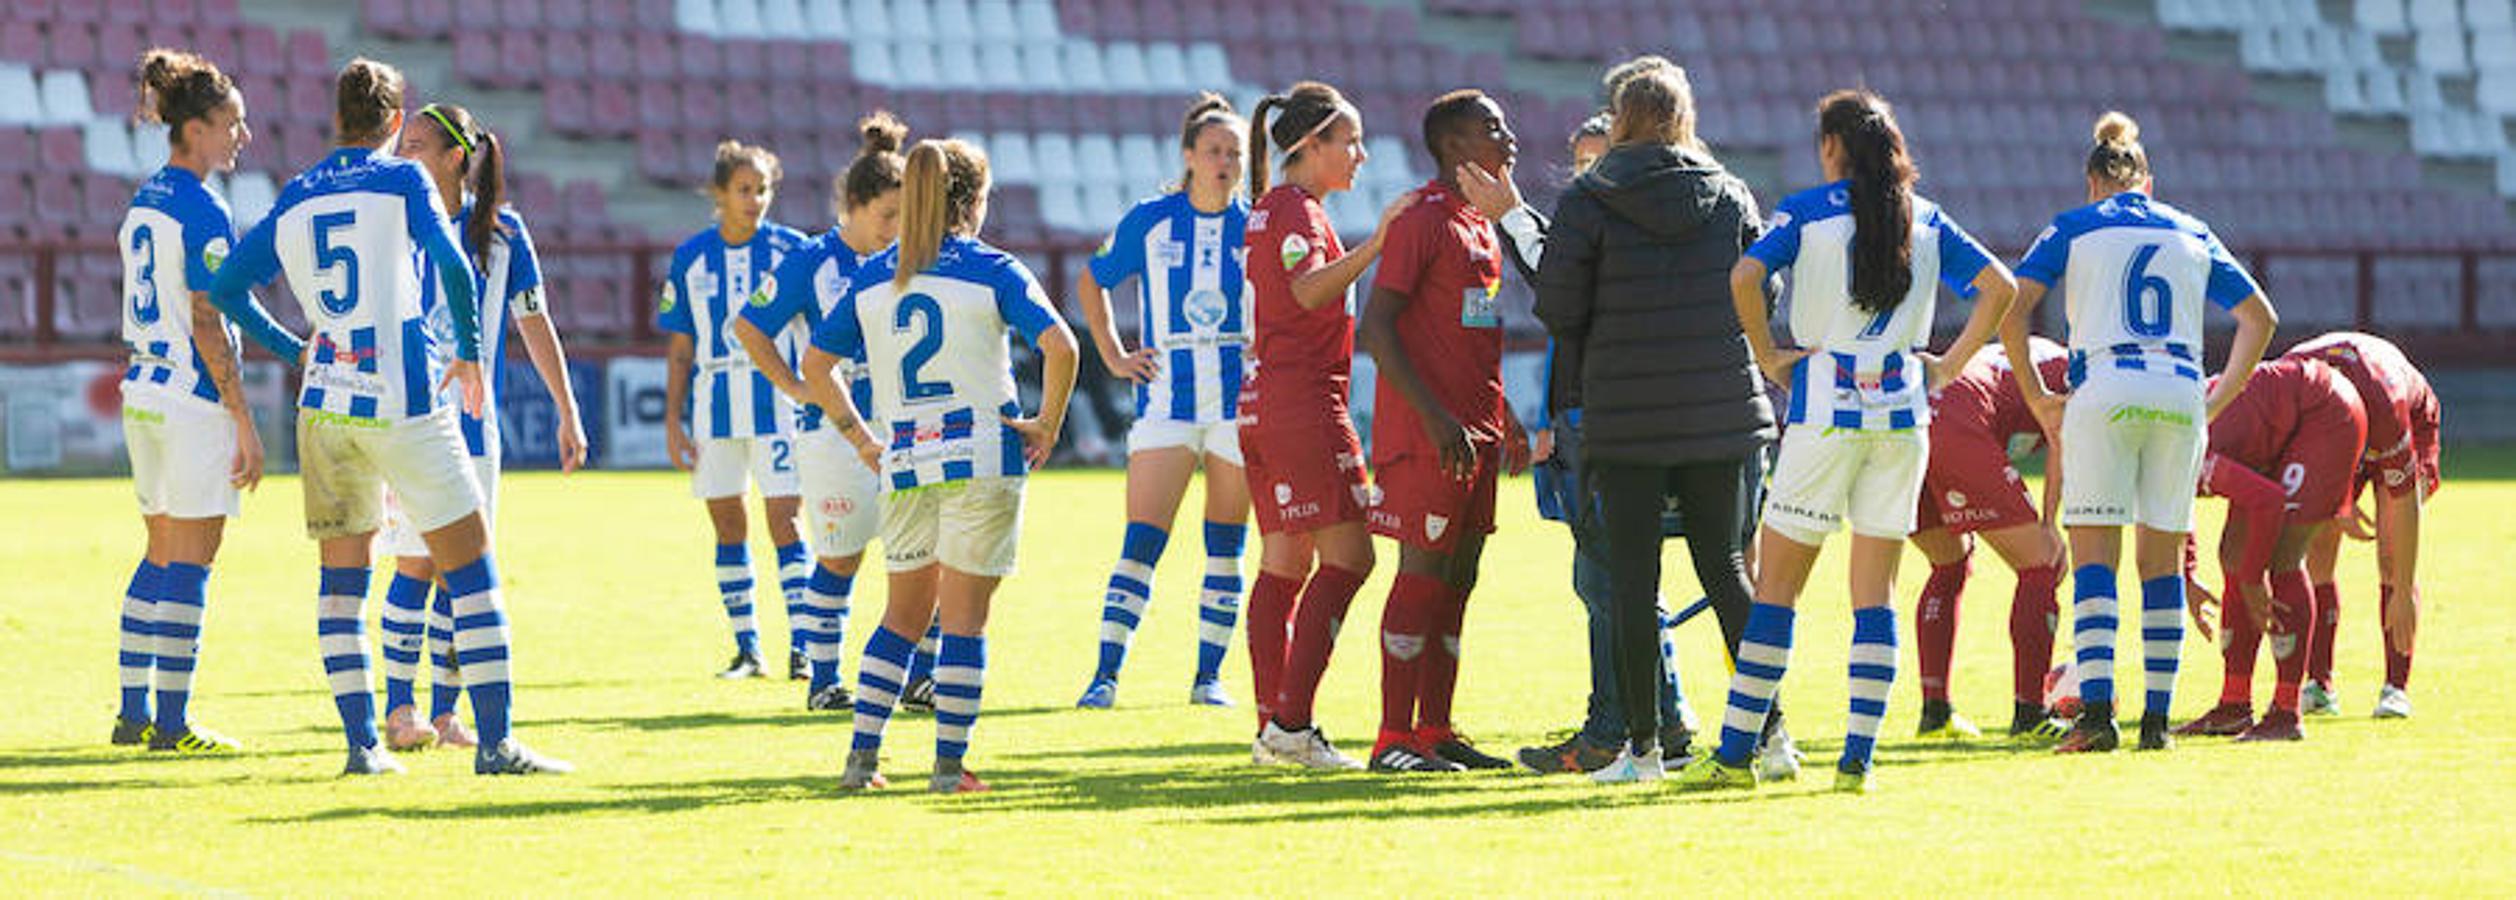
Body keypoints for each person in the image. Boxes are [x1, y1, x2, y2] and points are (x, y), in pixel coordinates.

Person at [207, 58, 569, 775]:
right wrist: (468, 352)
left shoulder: (298, 192)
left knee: (342, 587)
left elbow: (224, 287)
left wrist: (293, 349)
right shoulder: (403, 179)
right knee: (472, 571)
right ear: (395, 122)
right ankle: (494, 744)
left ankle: (362, 747)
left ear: (335, 119)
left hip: (325, 406)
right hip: (403, 396)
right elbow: (456, 266)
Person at [1675, 89, 2016, 794]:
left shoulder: (1805, 211)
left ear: (1833, 146)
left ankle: (1736, 755)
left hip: (1825, 405)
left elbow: (1744, 275)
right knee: (1876, 594)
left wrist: (1769, 354)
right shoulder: (1926, 217)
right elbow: (2000, 286)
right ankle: (1857, 759)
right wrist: (1950, 364)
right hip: (1901, 415)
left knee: (1777, 590)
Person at [801, 138, 1080, 794]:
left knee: (900, 618)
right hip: (980, 454)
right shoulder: (993, 269)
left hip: (904, 459)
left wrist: (862, 438)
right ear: (972, 202)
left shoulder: (871, 275)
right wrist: (1047, 424)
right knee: (963, 623)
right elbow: (1061, 347)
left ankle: (861, 762)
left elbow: (816, 364)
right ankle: (949, 769)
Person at [2001, 111, 2279, 754]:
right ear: (2147, 183)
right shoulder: (2191, 228)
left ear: (2092, 182)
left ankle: (2097, 719)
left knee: (2097, 555)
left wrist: (2038, 396)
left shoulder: (2073, 226)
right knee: (2161, 563)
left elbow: (2014, 309)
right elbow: (2259, 318)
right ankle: (2157, 723)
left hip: (2104, 386)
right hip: (2180, 391)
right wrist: (2215, 401)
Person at [1531, 62, 1773, 784]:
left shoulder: (1587, 197)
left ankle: (1642, 751)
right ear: (1683, 115)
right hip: (1720, 411)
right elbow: (1765, 288)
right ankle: (1772, 734)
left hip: (1627, 414)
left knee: (1634, 582)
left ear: (1623, 117)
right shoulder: (1730, 193)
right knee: (1728, 570)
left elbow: (1558, 308)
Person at [374, 102, 588, 752]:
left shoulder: (503, 234)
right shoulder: (394, 222)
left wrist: (567, 408)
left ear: (454, 158)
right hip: (410, 419)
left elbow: (533, 321)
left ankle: (446, 713)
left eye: (415, 145)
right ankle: (399, 709)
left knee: (460, 568)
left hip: (473, 427)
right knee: (414, 563)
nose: (402, 154)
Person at [1237, 80, 1415, 770]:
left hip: (1263, 405)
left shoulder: (1274, 209)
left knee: (1284, 564)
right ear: (1310, 146)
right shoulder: (1296, 212)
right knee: (1353, 558)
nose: (1362, 154)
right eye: (1350, 140)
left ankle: (1273, 727)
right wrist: (1380, 242)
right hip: (1301, 405)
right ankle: (1289, 724)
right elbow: (1309, 290)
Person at [1354, 89, 1529, 773]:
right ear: (1454, 146)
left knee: (1459, 580)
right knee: (1422, 576)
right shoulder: (1422, 219)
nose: (1508, 136)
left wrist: (1503, 415)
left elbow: (1474, 336)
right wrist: (1436, 418)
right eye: (1492, 127)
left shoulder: (1482, 224)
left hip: (1476, 434)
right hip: (1430, 437)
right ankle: (1392, 738)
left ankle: (1436, 729)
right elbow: (1376, 327)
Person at [1072, 94, 1254, 710]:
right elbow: (1091, 281)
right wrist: (1114, 355)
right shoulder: (1150, 218)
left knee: (1225, 545)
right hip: (1165, 406)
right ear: (1189, 157)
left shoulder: (1256, 226)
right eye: (1214, 151)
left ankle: (1208, 679)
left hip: (1235, 408)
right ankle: (1104, 676)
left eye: (1235, 152)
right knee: (1142, 542)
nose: (1225, 161)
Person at [734, 112, 909, 711]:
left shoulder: (908, 260)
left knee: (920, 552)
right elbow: (750, 326)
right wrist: (793, 386)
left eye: (904, 217)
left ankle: (921, 675)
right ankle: (825, 679)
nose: (896, 228)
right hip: (831, 435)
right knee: (841, 555)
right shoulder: (812, 259)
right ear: (856, 205)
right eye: (888, 215)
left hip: (903, 427)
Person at [111, 47, 257, 754]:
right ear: (194, 128)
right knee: (194, 558)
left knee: (160, 550)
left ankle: (132, 708)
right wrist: (242, 415)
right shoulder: (203, 206)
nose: (241, 136)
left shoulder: (145, 197)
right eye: (231, 122)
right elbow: (207, 316)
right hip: (188, 397)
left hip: (140, 387)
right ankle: (173, 724)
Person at [659, 140, 813, 680]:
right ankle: (748, 649)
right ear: (719, 193)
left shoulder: (794, 251)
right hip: (714, 406)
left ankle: (805, 646)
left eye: (763, 189)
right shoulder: (690, 257)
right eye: (744, 189)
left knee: (786, 521)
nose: (755, 200)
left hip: (777, 405)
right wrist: (673, 420)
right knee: (728, 525)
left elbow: (817, 333)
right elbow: (680, 348)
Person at [2171, 356, 2365, 742]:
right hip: (2275, 425)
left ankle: (2286, 711)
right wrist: (2189, 573)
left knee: (2282, 559)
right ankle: (2234, 704)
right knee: (2232, 552)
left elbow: (2269, 501)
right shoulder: (2165, 448)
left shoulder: (2185, 449)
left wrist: (2252, 579)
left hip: (2324, 414)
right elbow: (2172, 505)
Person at [1905, 337, 2075, 741]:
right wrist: (2049, 524)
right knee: (2041, 564)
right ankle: (2030, 714)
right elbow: (2060, 440)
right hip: (1957, 420)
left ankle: (1935, 711)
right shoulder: (2079, 372)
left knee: (1949, 564)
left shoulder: (2032, 354)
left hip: (1909, 421)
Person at [2281, 332, 2436, 718]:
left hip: (2407, 423)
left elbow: (2406, 503)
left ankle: (2395, 688)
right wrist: (2339, 498)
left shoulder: (2387, 403)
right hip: (2338, 425)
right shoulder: (2287, 388)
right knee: (2318, 545)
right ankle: (2319, 684)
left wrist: (2402, 589)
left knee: (2390, 551)